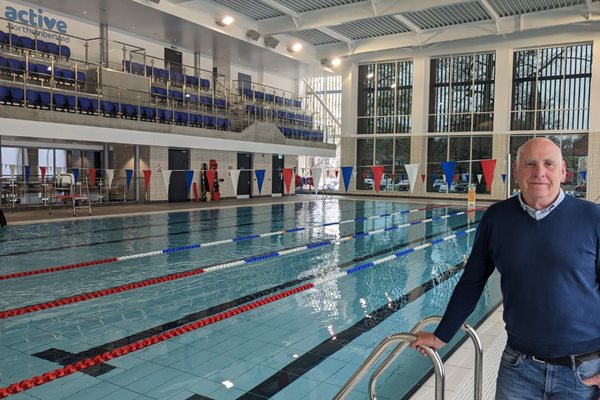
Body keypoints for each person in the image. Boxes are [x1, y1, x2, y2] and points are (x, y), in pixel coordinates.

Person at [410, 137, 600, 399]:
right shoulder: (497, 218)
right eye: (530, 163)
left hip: (582, 370)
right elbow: (472, 281)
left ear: (563, 171)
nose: (539, 173)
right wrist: (442, 335)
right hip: (519, 367)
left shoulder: (592, 218)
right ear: (517, 170)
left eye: (548, 164)